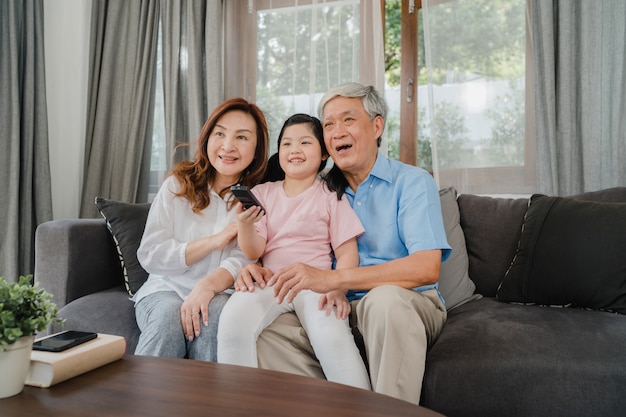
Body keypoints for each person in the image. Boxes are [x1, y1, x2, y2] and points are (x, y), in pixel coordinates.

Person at [242, 83, 451, 405]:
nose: (337, 131)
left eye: (348, 120)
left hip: (404, 303)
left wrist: (334, 279)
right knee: (267, 331)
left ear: (377, 125)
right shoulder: (320, 191)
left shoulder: (412, 182)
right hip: (336, 307)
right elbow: (281, 239)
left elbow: (427, 267)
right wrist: (251, 266)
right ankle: (347, 406)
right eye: (328, 124)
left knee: (385, 302)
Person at [217, 113, 371, 390]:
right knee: (232, 322)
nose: (294, 150)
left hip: (316, 284)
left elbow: (347, 252)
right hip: (271, 282)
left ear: (324, 154)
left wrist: (338, 289)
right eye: (286, 144)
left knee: (332, 337)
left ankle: (361, 407)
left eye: (304, 142)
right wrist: (244, 224)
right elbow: (254, 250)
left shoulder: (331, 195)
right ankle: (237, 404)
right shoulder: (263, 193)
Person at [132, 98, 269, 361]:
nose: (228, 146)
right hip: (166, 287)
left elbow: (245, 257)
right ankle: (143, 401)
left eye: (242, 137)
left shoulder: (256, 197)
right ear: (207, 138)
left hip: (221, 291)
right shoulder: (178, 185)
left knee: (215, 318)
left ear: (257, 149)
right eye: (220, 133)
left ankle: (206, 402)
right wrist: (214, 242)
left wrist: (207, 286)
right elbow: (150, 254)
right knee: (167, 319)